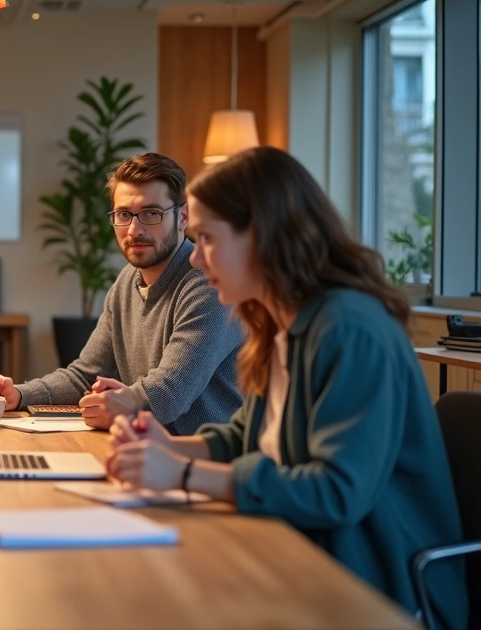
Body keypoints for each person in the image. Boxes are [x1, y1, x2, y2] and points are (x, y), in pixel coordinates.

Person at [106, 146, 467, 628]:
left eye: (209, 239)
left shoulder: (349, 330)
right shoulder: (277, 324)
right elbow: (242, 437)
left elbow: (337, 492)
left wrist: (183, 476)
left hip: (377, 586)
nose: (196, 261)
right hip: (299, 550)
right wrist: (169, 447)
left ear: (261, 237)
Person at [0, 153, 241, 434]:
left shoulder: (208, 283)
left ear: (183, 217)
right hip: (145, 449)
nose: (134, 230)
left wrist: (123, 400)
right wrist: (18, 394)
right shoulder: (127, 281)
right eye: (124, 214)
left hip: (204, 462)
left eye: (151, 214)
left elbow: (169, 393)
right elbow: (86, 374)